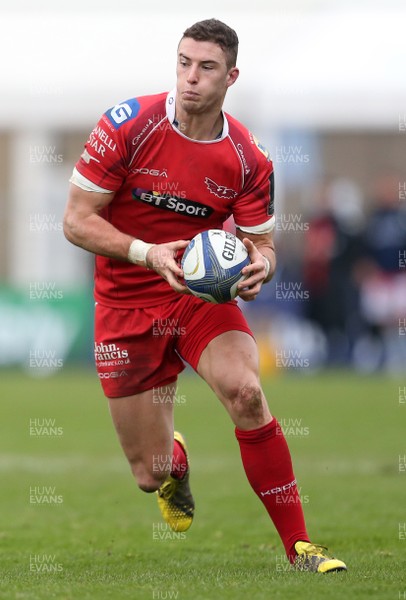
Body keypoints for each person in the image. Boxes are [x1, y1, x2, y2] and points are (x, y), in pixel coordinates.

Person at [63, 18, 346, 573]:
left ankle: (300, 549)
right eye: (184, 63)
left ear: (230, 76)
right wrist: (149, 253)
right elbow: (76, 221)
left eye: (207, 67)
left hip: (198, 296)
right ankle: (177, 464)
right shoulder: (129, 125)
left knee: (246, 393)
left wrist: (260, 265)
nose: (191, 78)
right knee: (151, 474)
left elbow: (262, 242)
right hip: (124, 302)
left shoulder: (247, 158)